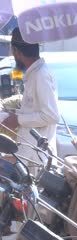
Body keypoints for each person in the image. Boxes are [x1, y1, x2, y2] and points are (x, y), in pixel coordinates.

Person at [1, 27, 60, 170]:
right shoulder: (33, 74)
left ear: (17, 52)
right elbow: (34, 110)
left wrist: (18, 119)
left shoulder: (41, 75)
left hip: (36, 158)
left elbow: (51, 116)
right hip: (29, 154)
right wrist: (15, 115)